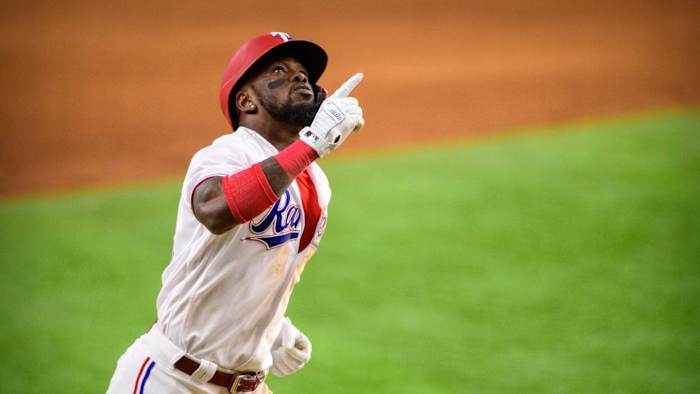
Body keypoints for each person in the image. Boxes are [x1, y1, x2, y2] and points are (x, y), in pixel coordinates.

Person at [106, 32, 365, 393]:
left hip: (248, 385)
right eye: (280, 69)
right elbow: (214, 208)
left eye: (304, 72)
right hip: (170, 379)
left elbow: (260, 266)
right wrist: (310, 145)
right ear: (246, 100)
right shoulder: (226, 154)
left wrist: (269, 328)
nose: (300, 76)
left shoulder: (316, 182)